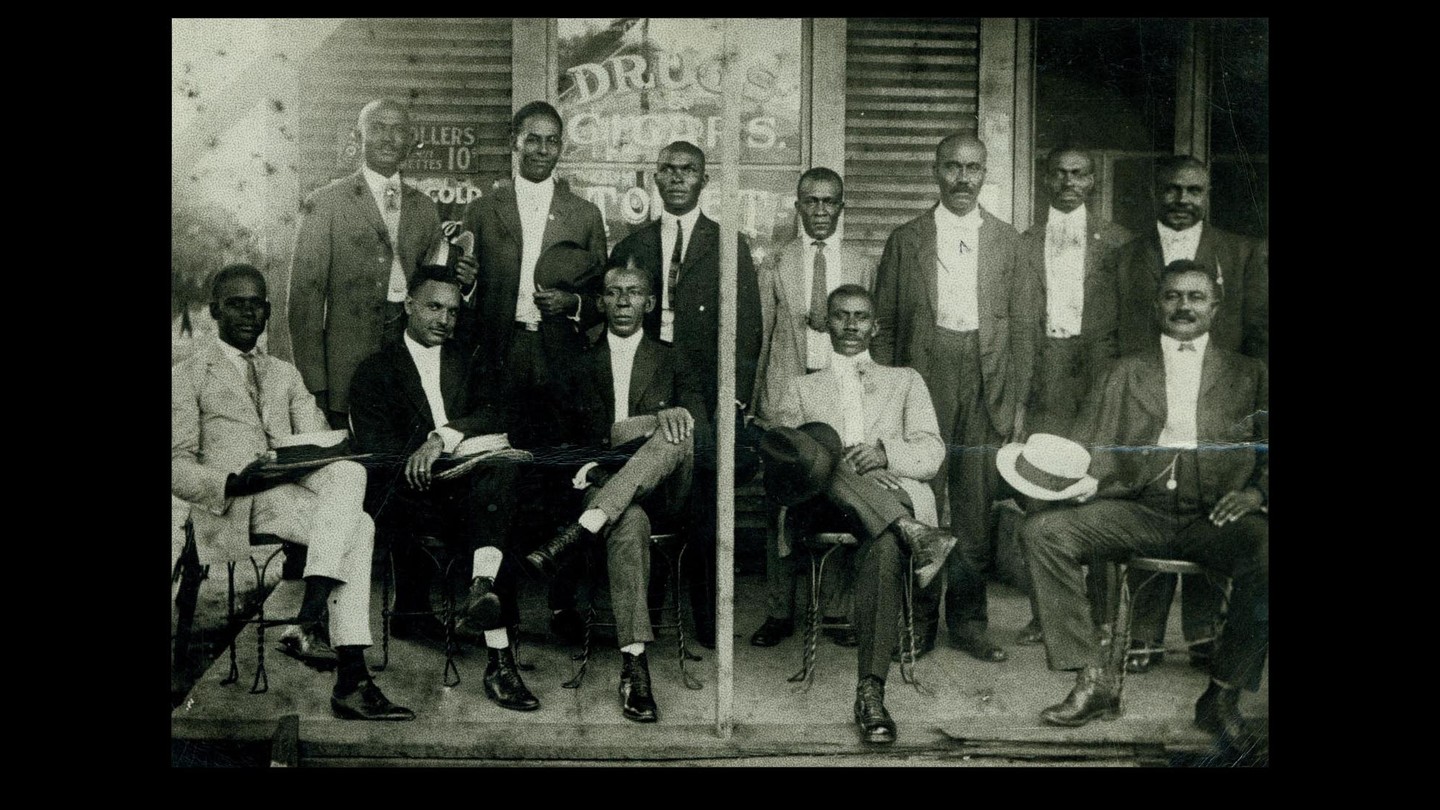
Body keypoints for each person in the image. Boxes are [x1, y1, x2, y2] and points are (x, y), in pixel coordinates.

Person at [1020, 260, 1267, 747]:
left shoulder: (1249, 373)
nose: (1184, 306)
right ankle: (1094, 681)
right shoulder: (1124, 371)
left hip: (1214, 514)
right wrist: (1080, 483)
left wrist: (1258, 493)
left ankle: (1222, 696)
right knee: (1043, 533)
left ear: (1215, 308)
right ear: (1157, 305)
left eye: (1196, 297)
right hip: (1139, 507)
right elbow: (1085, 447)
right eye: (1173, 296)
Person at [173, 263, 413, 721]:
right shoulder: (187, 374)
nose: (248, 314)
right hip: (236, 502)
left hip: (290, 491)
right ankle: (345, 671)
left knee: (349, 480)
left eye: (257, 305)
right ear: (214, 311)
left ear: (268, 312)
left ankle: (313, 626)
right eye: (236, 304)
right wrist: (228, 482)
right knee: (357, 526)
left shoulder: (284, 373)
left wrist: (330, 445)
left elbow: (315, 437)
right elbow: (175, 464)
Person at [760, 285, 957, 745]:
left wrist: (885, 455)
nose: (851, 325)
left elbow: (932, 452)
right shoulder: (801, 387)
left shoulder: (905, 380)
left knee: (885, 543)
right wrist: (839, 463)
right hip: (821, 505)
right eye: (841, 316)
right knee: (819, 454)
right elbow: (783, 458)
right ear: (826, 323)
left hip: (886, 500)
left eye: (861, 316)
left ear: (875, 326)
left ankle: (870, 691)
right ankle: (911, 529)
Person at [872, 133, 1039, 662]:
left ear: (986, 171)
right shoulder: (907, 239)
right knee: (921, 497)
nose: (963, 178)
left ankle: (968, 622)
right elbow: (888, 326)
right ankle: (918, 622)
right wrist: (889, 399)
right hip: (926, 371)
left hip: (987, 376)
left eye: (973, 167)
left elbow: (1024, 329)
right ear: (935, 171)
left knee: (973, 509)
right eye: (952, 167)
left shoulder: (1009, 242)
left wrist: (1016, 404)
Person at [522, 260, 708, 723]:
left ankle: (586, 524)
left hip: (666, 487)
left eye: (634, 291)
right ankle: (634, 664)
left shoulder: (675, 358)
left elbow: (700, 431)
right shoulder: (578, 362)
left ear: (650, 302)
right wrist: (594, 467)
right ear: (601, 302)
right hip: (604, 486)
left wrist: (657, 423)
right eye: (613, 292)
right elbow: (561, 441)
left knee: (675, 425)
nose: (623, 300)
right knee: (628, 520)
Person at [347, 265, 538, 713]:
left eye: (453, 311)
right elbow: (380, 456)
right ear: (408, 304)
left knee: (501, 492)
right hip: (409, 499)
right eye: (434, 307)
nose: (444, 320)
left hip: (465, 493)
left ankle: (487, 610)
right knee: (499, 503)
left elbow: (499, 413)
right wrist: (433, 459)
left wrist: (443, 438)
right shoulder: (375, 371)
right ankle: (498, 654)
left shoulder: (466, 360)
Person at [455, 100, 609, 642]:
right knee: (507, 471)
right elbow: (463, 295)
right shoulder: (484, 210)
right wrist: (467, 280)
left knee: (566, 474)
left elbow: (602, 298)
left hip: (562, 361)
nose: (542, 150)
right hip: (503, 357)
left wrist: (573, 305)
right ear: (513, 143)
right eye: (532, 139)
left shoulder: (584, 215)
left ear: (561, 148)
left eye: (552, 141)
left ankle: (565, 605)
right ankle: (506, 604)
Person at [1108, 155, 1269, 671]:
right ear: (1156, 192)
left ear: (1208, 194)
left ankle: (1203, 636)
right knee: (1148, 496)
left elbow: (1259, 332)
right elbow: (1109, 329)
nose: (1183, 200)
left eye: (1193, 190)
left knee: (1214, 503)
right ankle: (1145, 637)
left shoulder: (1243, 253)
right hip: (1146, 396)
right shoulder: (1127, 254)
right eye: (1172, 189)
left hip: (1221, 400)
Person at [608, 140, 765, 647]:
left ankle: (708, 620)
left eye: (688, 170)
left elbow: (746, 331)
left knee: (705, 504)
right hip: (648, 393)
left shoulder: (727, 244)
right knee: (647, 496)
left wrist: (733, 400)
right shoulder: (634, 243)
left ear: (703, 179)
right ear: (655, 178)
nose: (677, 178)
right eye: (668, 170)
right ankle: (646, 615)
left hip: (707, 397)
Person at [1010, 146, 1132, 646]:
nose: (1068, 182)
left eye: (1078, 174)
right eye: (1059, 173)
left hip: (1099, 375)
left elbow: (1127, 319)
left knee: (1096, 487)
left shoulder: (1120, 242)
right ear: (1045, 180)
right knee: (1042, 491)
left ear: (1092, 182)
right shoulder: (1026, 241)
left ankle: (1100, 617)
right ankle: (1048, 615)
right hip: (1047, 375)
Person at [750, 167, 876, 648]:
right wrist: (753, 394)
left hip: (842, 392)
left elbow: (868, 334)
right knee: (781, 501)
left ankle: (837, 612)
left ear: (842, 208)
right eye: (811, 201)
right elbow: (761, 334)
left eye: (830, 202)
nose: (820, 211)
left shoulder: (862, 264)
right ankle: (780, 610)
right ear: (797, 206)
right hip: (788, 394)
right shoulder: (776, 263)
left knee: (844, 489)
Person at [288, 99, 443, 429]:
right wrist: (317, 386)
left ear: (411, 142)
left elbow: (433, 287)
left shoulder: (425, 207)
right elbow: (305, 303)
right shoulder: (325, 203)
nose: (389, 138)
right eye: (378, 128)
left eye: (398, 130)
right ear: (357, 138)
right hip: (347, 366)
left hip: (409, 360)